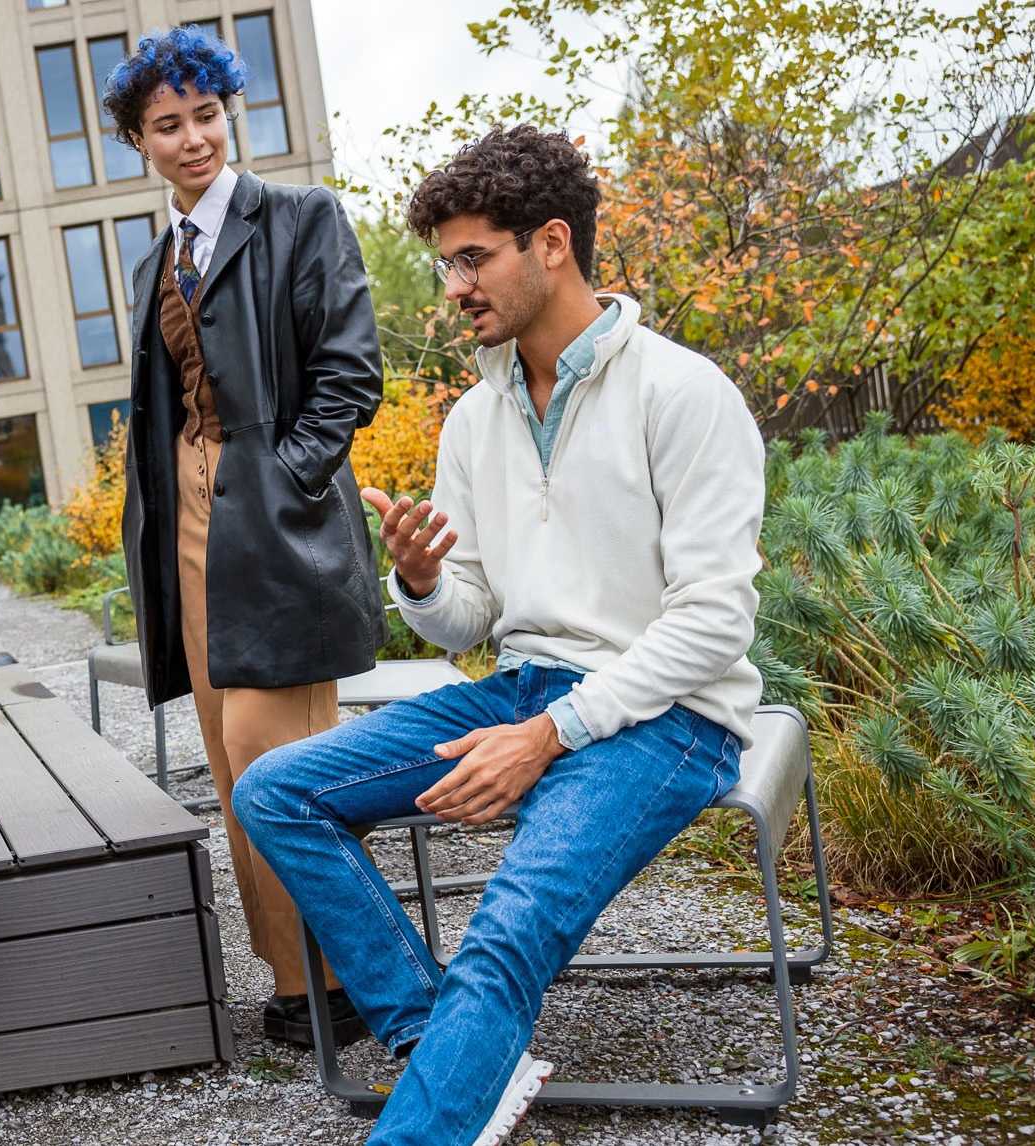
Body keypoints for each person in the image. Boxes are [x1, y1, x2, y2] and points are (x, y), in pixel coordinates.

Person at [233, 126, 765, 1146]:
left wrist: (551, 736)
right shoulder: (476, 419)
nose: (454, 287)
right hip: (523, 689)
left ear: (551, 244)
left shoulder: (682, 394)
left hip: (668, 719)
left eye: (473, 258)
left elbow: (712, 624)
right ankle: (459, 1049)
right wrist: (423, 580)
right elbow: (469, 617)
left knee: (506, 933)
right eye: (448, 264)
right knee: (276, 791)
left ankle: (440, 1099)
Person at [101, 26, 386, 1048]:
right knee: (231, 764)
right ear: (138, 141)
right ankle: (298, 982)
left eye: (206, 116)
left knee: (279, 755)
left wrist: (289, 480)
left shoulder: (303, 218)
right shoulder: (155, 261)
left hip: (277, 514)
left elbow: (351, 376)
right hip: (190, 513)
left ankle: (356, 965)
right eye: (167, 125)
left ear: (231, 113)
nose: (192, 139)